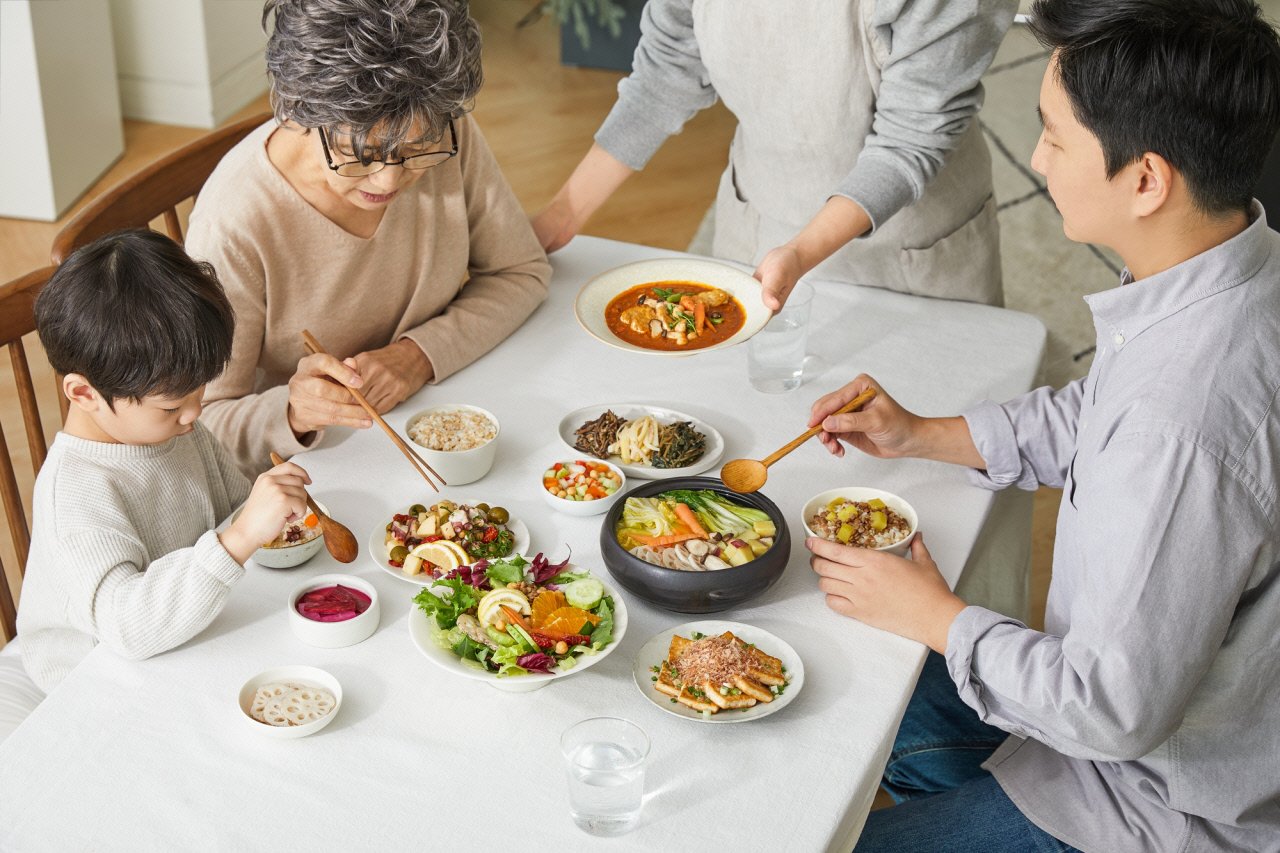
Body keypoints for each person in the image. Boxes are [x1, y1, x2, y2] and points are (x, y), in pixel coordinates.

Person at [804, 1, 1280, 850]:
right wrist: (921, 433)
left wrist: (940, 617)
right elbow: (1097, 414)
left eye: (1054, 138)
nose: (1035, 158)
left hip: (1144, 807)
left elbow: (1108, 710)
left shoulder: (1184, 420)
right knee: (843, 667)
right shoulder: (1232, 264)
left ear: (1146, 179)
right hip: (1112, 737)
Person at [187, 0, 551, 476]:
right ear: (300, 110)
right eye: (359, 153)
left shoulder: (436, 123)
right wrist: (294, 412)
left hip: (445, 410)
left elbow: (519, 271)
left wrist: (417, 356)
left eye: (415, 151)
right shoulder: (235, 224)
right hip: (320, 468)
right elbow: (204, 422)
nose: (388, 181)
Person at [533, 0, 1017, 309]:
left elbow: (910, 140)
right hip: (760, 214)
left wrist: (801, 251)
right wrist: (563, 213)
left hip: (908, 242)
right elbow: (663, 77)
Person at [17, 230, 313, 693]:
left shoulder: (177, 428)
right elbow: (127, 627)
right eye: (172, 406)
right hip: (96, 679)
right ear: (83, 393)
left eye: (200, 392)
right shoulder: (75, 493)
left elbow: (232, 509)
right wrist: (240, 536)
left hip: (183, 633)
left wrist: (264, 511)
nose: (195, 413)